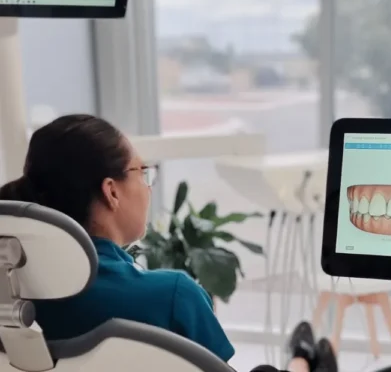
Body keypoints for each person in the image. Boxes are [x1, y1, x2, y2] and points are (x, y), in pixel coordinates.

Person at [0, 114, 235, 362]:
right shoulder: (174, 298)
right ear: (111, 191)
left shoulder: (12, 303)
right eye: (141, 172)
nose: (148, 188)